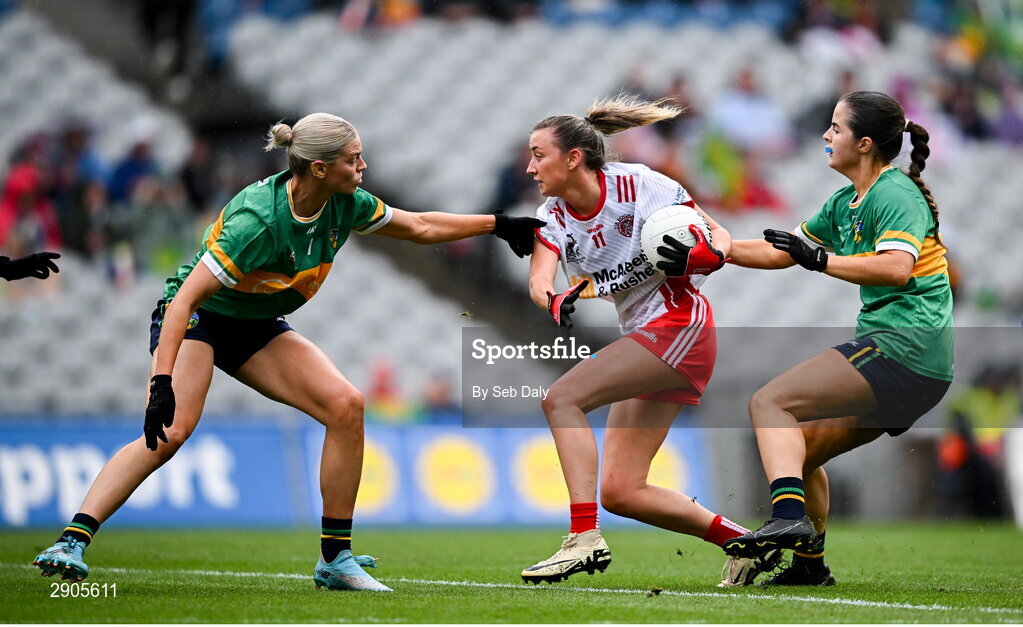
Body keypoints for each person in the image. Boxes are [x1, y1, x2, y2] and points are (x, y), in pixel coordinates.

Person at [32, 112, 542, 592]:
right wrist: (160, 383)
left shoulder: (347, 201)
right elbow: (185, 298)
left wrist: (497, 224)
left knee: (347, 406)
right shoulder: (258, 221)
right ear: (320, 168)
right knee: (171, 430)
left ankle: (335, 560)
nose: (363, 167)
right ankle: (72, 540)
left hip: (254, 324)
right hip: (197, 320)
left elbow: (419, 226)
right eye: (353, 159)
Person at [520, 95, 780, 589]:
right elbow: (539, 279)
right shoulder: (551, 216)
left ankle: (582, 538)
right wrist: (551, 301)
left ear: (573, 158)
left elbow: (718, 234)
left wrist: (710, 255)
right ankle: (746, 544)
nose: (530, 166)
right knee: (621, 490)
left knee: (561, 399)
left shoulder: (640, 184)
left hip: (681, 326)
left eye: (539, 154)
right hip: (648, 337)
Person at [721, 91, 954, 586]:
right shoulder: (844, 202)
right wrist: (712, 248)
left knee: (769, 403)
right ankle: (810, 566)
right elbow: (781, 251)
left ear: (865, 143)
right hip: (917, 362)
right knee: (796, 449)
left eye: (836, 128)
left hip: (904, 348)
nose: (826, 135)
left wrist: (820, 260)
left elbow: (895, 268)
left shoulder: (894, 194)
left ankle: (788, 517)